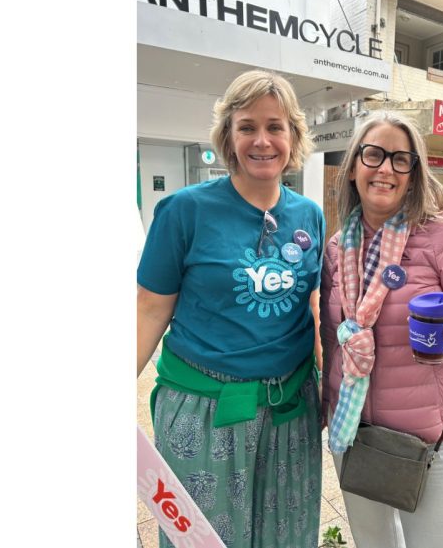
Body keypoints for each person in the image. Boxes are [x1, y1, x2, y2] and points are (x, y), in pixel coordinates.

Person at [137, 70, 325, 548]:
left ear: (293, 136)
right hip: (206, 412)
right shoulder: (184, 211)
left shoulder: (309, 215)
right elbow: (150, 309)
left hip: (291, 410)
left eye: (275, 126)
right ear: (228, 135)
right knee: (203, 540)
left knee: (287, 537)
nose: (262, 140)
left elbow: (314, 303)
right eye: (247, 127)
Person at [319, 111, 443, 548]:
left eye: (400, 159)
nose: (385, 169)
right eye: (374, 154)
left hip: (428, 441)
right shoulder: (337, 248)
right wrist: (325, 412)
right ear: (354, 167)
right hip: (354, 435)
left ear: (414, 172)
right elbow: (332, 342)